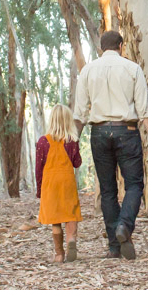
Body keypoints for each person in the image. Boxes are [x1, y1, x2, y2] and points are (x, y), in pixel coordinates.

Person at [74, 30, 148, 260]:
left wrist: (74, 141)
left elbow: (80, 113)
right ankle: (124, 225)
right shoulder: (132, 69)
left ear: (101, 47)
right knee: (134, 185)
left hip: (99, 132)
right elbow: (145, 109)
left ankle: (115, 246)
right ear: (121, 45)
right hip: (127, 131)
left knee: (108, 189)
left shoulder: (88, 71)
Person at [35, 104, 83, 263]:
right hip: (67, 182)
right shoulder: (71, 140)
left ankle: (59, 254)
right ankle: (71, 241)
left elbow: (38, 168)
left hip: (50, 184)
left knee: (55, 219)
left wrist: (39, 190)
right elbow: (77, 163)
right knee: (71, 214)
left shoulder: (43, 141)